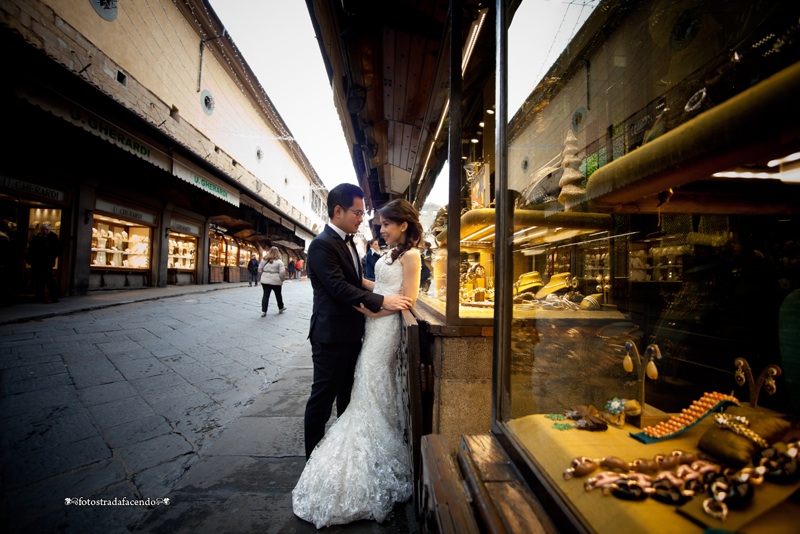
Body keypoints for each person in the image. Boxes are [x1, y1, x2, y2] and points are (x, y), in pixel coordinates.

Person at [293, 197, 422, 528]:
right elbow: (343, 287)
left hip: (379, 329)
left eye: (384, 223)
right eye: (359, 213)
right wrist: (374, 304)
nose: (372, 223)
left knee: (366, 389)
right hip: (340, 332)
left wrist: (372, 307)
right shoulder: (324, 245)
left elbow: (405, 297)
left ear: (403, 225)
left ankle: (349, 453)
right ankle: (315, 461)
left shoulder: (406, 255)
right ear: (339, 211)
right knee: (327, 397)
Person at [27, 223, 61, 303]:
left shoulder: (53, 239)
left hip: (47, 263)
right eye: (43, 229)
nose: (44, 231)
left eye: (46, 229)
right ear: (40, 230)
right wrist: (30, 259)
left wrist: (50, 258)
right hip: (36, 263)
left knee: (49, 280)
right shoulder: (36, 238)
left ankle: (53, 297)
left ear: (49, 230)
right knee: (38, 281)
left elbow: (56, 251)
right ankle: (40, 297)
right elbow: (31, 250)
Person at [257, 247, 287, 317]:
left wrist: (264, 275)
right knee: (278, 294)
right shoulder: (279, 262)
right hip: (276, 281)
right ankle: (281, 307)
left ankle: (264, 311)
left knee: (265, 295)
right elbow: (282, 272)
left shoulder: (263, 260)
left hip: (265, 280)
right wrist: (282, 279)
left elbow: (259, 270)